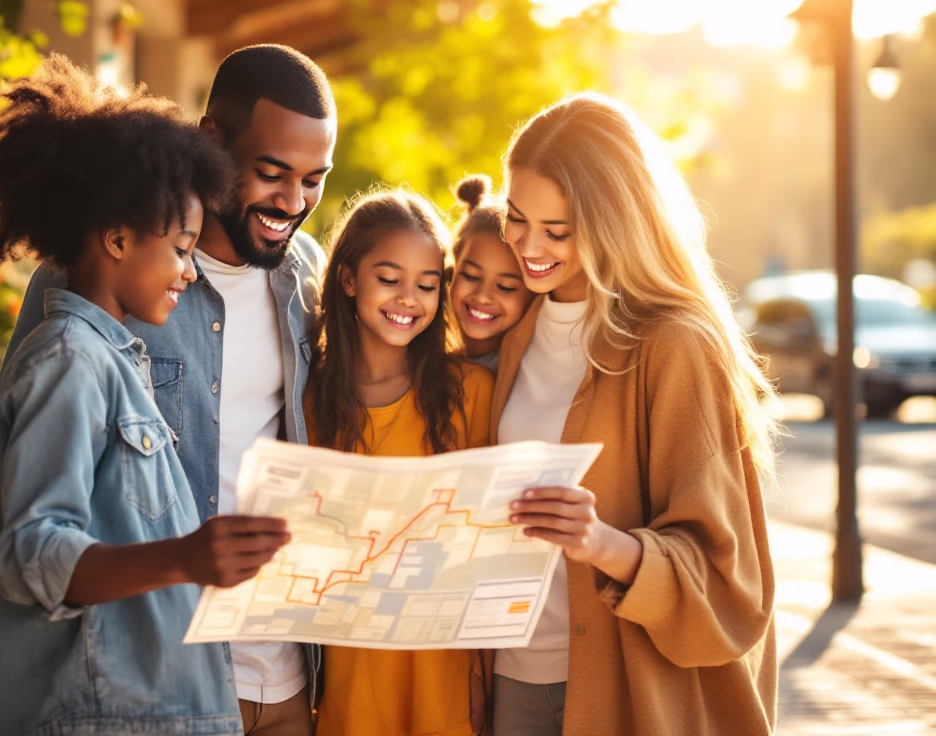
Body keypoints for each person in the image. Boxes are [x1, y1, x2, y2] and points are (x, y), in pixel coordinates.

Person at [0, 44, 337, 735]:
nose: (293, 203)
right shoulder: (81, 294)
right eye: (273, 173)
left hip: (285, 671)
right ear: (213, 140)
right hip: (148, 685)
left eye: (314, 181)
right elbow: (26, 499)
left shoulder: (308, 276)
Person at [490, 94, 778, 735]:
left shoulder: (674, 346)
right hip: (509, 680)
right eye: (515, 218)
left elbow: (730, 584)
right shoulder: (513, 328)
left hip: (624, 695)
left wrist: (602, 544)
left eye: (557, 232)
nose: (528, 247)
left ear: (614, 220)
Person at [305, 189, 494, 736]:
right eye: (389, 279)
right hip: (350, 669)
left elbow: (488, 551)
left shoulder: (472, 393)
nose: (408, 298)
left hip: (445, 672)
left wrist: (480, 677)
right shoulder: (313, 399)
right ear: (348, 279)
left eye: (428, 285)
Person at [448, 174, 533, 373]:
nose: (483, 296)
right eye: (470, 276)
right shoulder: (429, 356)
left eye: (505, 287)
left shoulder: (524, 371)